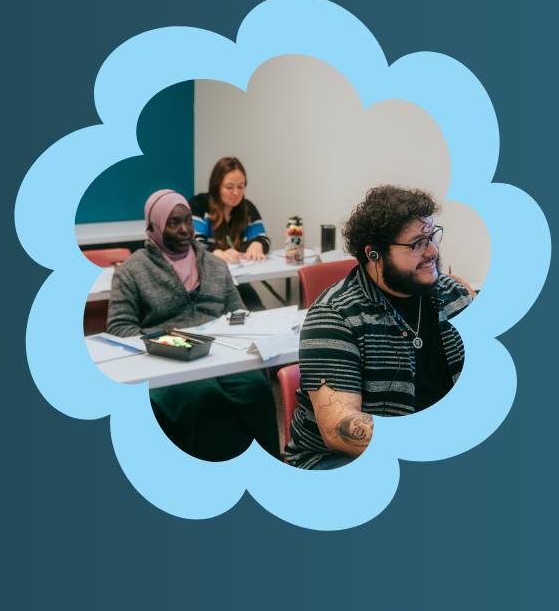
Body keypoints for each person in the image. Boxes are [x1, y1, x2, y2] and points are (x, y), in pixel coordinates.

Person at [286, 186, 472, 470]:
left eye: (432, 237)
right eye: (417, 244)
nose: (432, 252)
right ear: (374, 255)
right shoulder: (334, 315)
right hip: (340, 460)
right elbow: (339, 428)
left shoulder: (452, 295)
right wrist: (441, 441)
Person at [107, 190, 278, 460]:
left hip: (220, 356)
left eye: (188, 220)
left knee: (255, 388)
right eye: (173, 223)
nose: (185, 229)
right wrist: (167, 345)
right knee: (204, 399)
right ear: (153, 227)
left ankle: (268, 463)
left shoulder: (215, 265)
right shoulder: (132, 270)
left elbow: (238, 313)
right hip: (167, 362)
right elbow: (120, 328)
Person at [191, 156, 270, 309]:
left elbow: (263, 238)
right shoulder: (199, 205)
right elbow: (194, 244)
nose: (236, 193)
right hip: (204, 282)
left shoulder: (247, 208)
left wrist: (257, 244)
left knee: (258, 310)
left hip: (236, 281)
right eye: (229, 187)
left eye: (241, 187)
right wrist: (216, 252)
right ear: (216, 186)